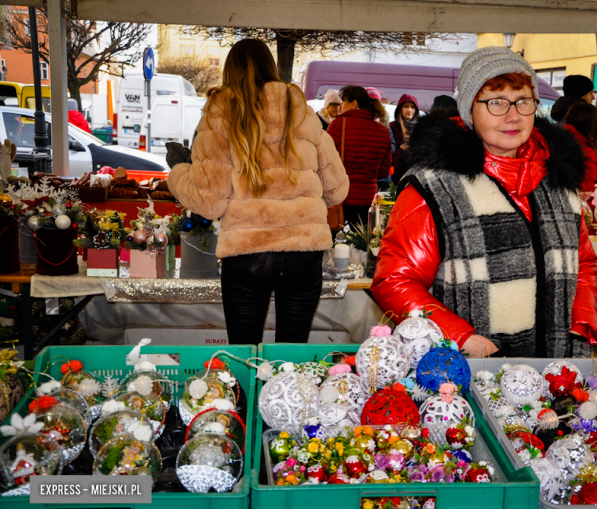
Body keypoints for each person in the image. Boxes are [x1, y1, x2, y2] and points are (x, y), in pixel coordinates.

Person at [371, 47, 597, 358]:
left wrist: (582, 319)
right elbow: (395, 279)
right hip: (473, 374)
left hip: (557, 373)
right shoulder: (434, 187)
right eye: (496, 102)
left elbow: (583, 262)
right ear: (469, 110)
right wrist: (460, 337)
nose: (512, 116)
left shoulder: (559, 180)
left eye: (523, 101)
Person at [167, 39, 348, 345]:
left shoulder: (220, 114)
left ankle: (247, 395)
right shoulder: (301, 111)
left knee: (244, 356)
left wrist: (178, 172)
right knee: (292, 358)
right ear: (271, 66)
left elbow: (210, 203)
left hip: (249, 250)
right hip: (304, 252)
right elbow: (337, 189)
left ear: (230, 71)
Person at [326, 85, 391, 228]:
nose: (340, 106)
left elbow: (324, 161)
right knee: (361, 245)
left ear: (354, 103)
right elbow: (383, 173)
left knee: (338, 244)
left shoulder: (338, 125)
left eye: (343, 101)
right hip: (368, 199)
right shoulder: (383, 131)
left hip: (341, 199)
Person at [389, 94, 420, 168]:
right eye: (406, 106)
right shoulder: (392, 126)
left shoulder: (420, 128)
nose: (409, 110)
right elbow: (388, 152)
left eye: (412, 107)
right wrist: (401, 149)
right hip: (396, 171)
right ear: (400, 109)